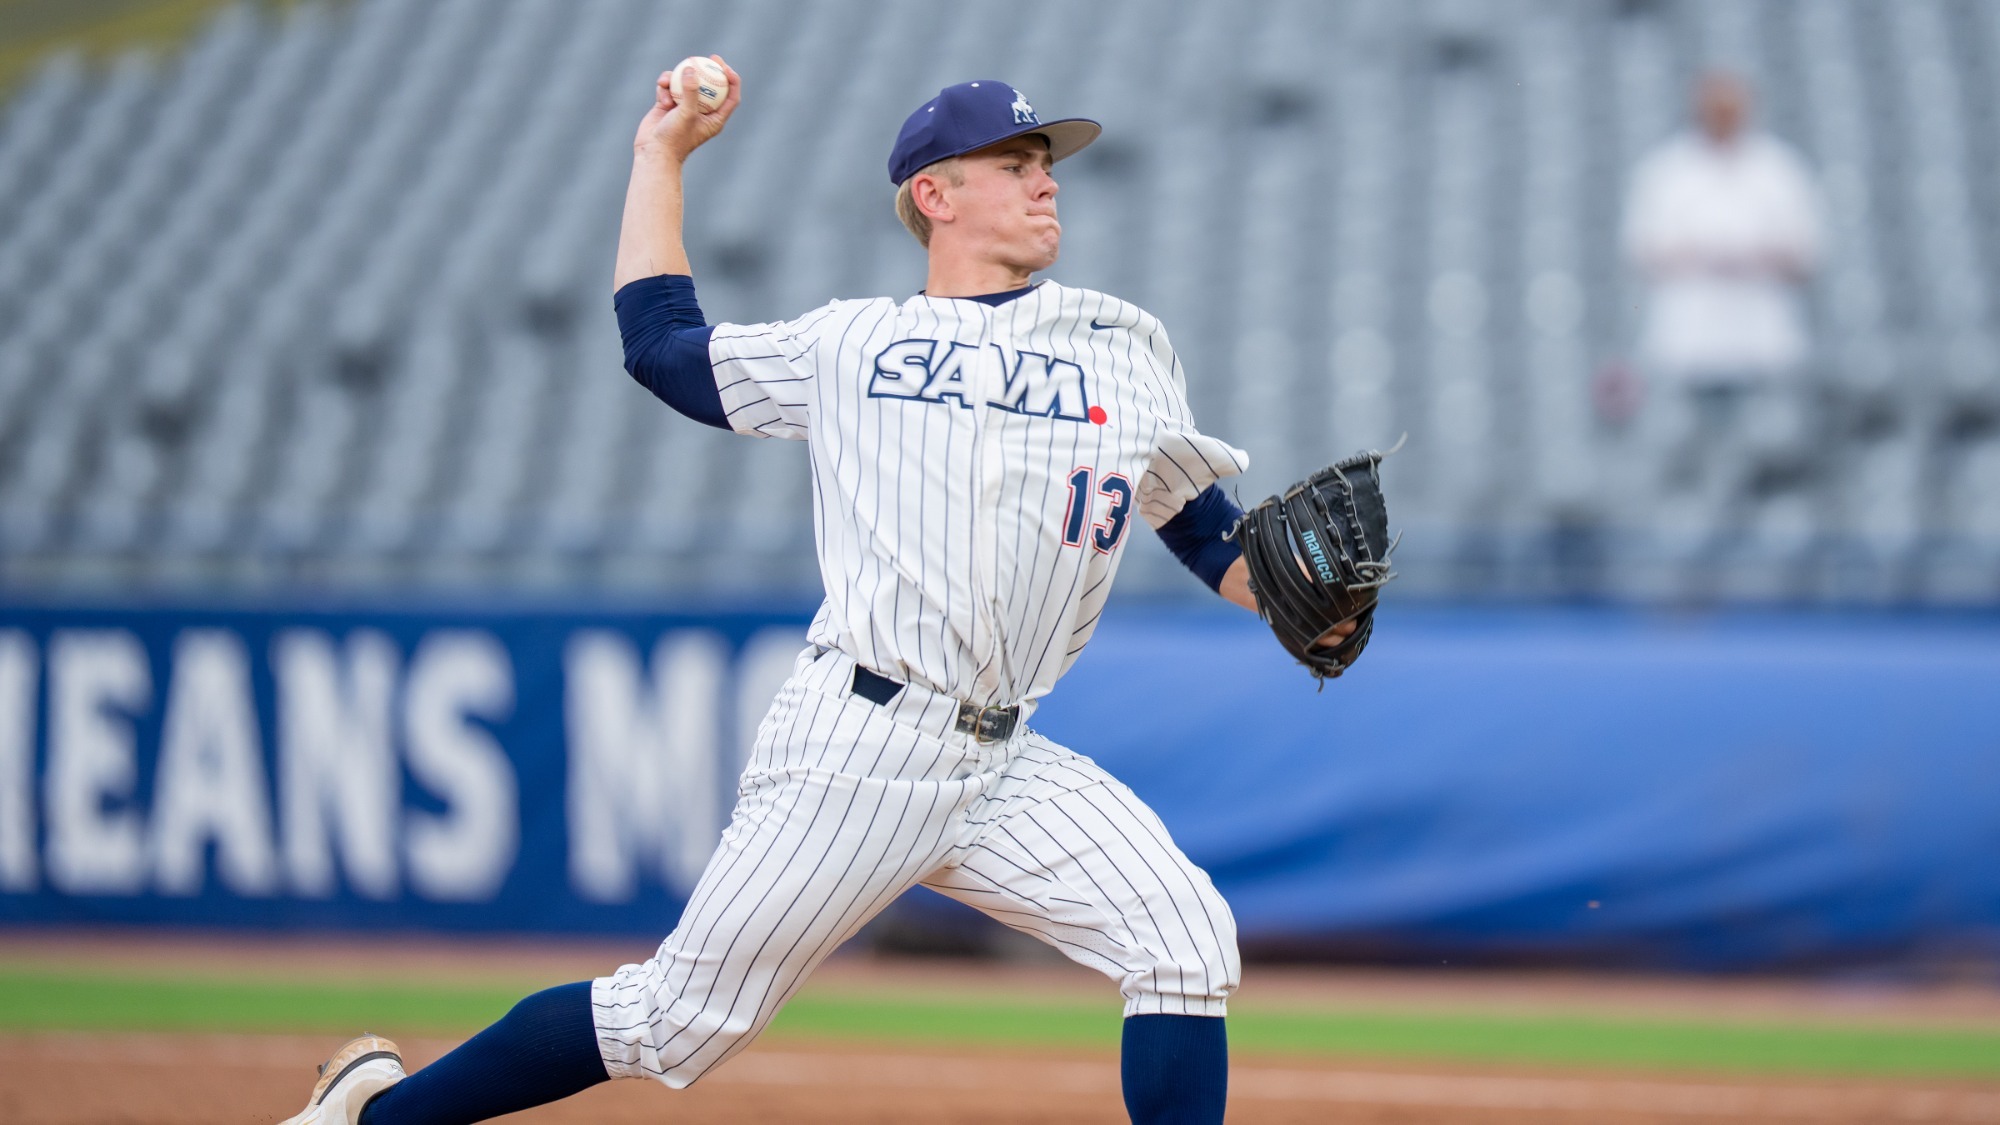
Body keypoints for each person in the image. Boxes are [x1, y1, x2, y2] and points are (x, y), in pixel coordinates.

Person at [277, 60, 1356, 1125]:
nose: (1047, 182)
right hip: (861, 741)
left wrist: (1292, 597)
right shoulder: (851, 344)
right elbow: (661, 349)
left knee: (1180, 940)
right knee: (674, 1019)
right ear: (933, 196)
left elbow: (1197, 527)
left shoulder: (1124, 345)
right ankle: (370, 1121)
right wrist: (659, 156)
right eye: (1016, 161)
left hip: (1005, 756)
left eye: (1048, 163)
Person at [1622, 71, 1823, 514]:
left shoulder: (1779, 169)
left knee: (1772, 466)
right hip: (1690, 345)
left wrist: (1746, 257)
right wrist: (1708, 255)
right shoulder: (1667, 171)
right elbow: (1644, 250)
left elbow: (1805, 254)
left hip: (1763, 346)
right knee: (1685, 466)